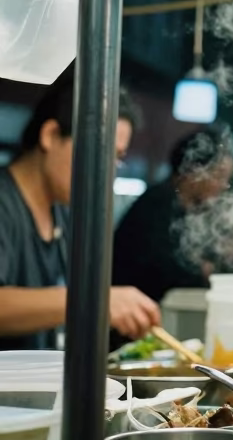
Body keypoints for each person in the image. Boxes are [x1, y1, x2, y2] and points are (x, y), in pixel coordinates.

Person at [0, 79, 161, 350]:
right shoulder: (4, 202)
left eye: (117, 159)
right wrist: (93, 300)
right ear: (51, 135)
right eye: (100, 151)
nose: (107, 170)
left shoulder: (62, 213)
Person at [111, 125, 233, 307]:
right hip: (128, 318)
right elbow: (161, 269)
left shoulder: (188, 208)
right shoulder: (156, 204)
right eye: (219, 176)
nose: (223, 186)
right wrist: (201, 271)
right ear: (194, 170)